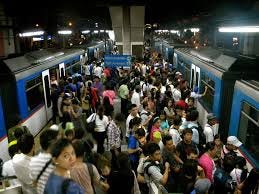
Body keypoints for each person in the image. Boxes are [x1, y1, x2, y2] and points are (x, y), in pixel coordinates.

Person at [30, 129, 59, 194]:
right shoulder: (57, 162)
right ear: (52, 143)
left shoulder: (35, 159)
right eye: (57, 140)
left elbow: (34, 183)